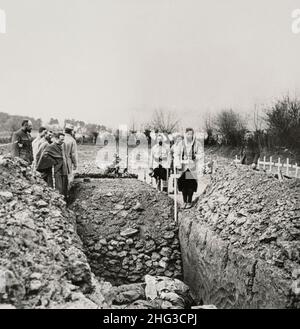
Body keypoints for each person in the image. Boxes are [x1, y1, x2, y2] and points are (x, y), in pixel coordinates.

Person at [36, 132, 68, 199]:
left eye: (63, 140)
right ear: (56, 138)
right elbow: (44, 156)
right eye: (61, 139)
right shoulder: (51, 147)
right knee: (56, 188)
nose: (63, 141)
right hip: (54, 172)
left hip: (62, 171)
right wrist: (54, 162)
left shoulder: (62, 146)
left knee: (62, 188)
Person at [177, 128, 201, 209]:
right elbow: (176, 154)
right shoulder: (181, 143)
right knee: (183, 185)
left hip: (191, 167)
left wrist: (196, 156)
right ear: (185, 134)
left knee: (190, 185)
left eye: (191, 134)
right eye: (188, 134)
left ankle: (189, 201)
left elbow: (201, 154)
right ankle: (184, 202)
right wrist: (178, 163)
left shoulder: (196, 144)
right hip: (183, 167)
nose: (189, 136)